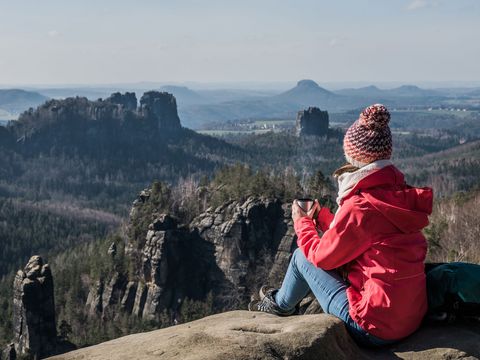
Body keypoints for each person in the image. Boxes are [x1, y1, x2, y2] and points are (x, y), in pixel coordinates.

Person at [248, 104, 433, 347]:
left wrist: (302, 222)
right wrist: (323, 217)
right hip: (411, 318)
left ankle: (280, 306)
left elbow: (321, 258)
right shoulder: (400, 195)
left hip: (373, 327)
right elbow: (364, 234)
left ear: (354, 156)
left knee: (301, 257)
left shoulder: (360, 207)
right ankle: (280, 302)